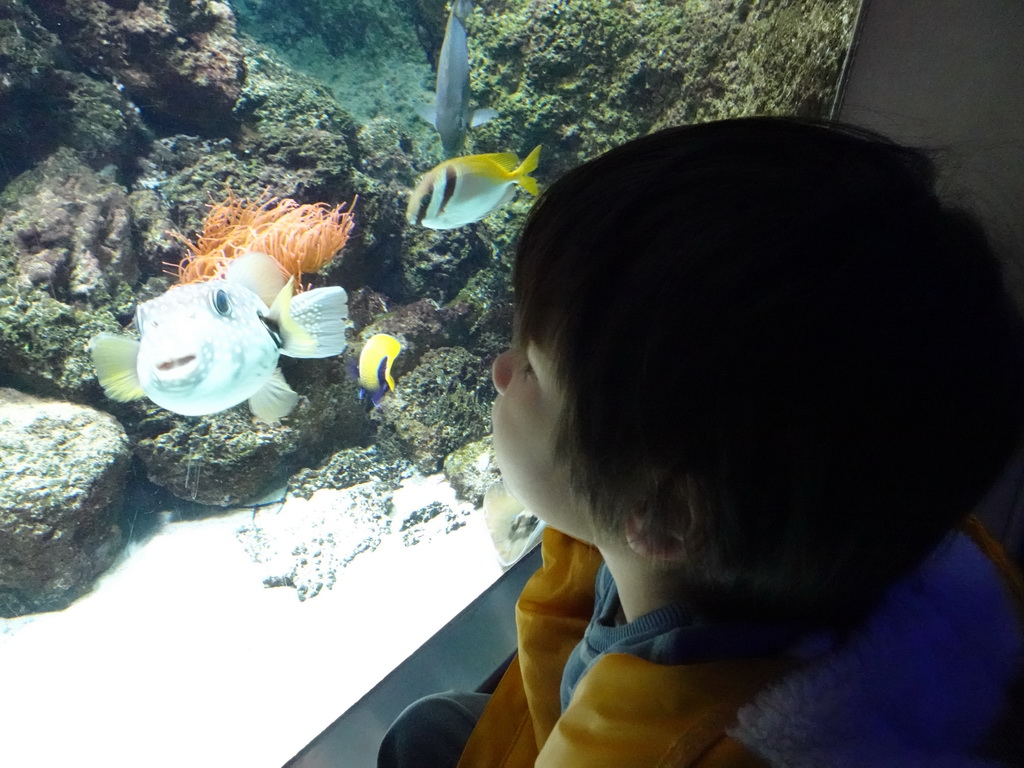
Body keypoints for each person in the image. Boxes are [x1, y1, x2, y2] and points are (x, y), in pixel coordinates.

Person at [378, 117, 1024, 768]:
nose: (500, 369)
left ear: (666, 514)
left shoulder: (674, 753)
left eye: (533, 369)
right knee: (424, 732)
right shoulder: (865, 525)